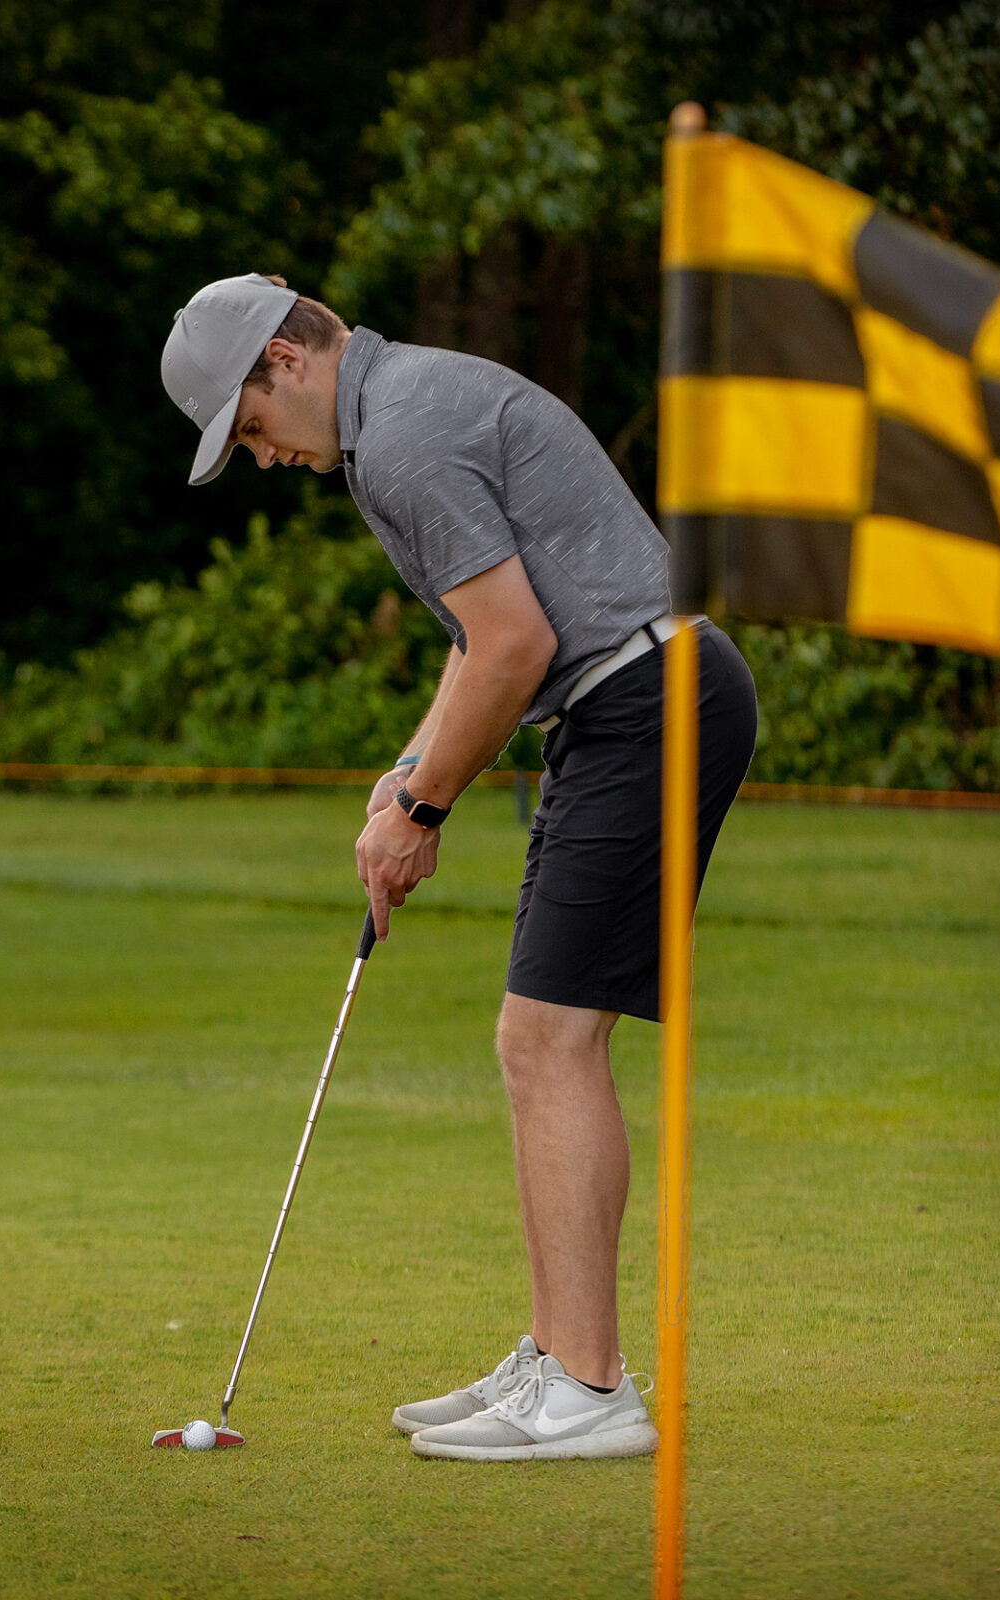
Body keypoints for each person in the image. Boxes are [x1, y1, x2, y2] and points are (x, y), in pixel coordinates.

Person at [160, 273, 757, 1462]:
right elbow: (479, 635)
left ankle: (588, 1387)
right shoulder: (404, 407)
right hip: (627, 705)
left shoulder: (404, 436)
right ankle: (560, 1355)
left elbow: (516, 644)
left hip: (645, 702)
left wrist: (426, 806)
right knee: (536, 1040)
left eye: (251, 427)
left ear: (285, 359)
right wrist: (408, 771)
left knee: (550, 1040)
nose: (264, 458)